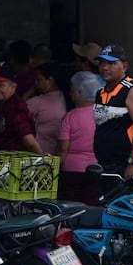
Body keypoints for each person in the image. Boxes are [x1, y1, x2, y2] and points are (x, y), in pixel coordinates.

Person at [93, 44, 133, 179]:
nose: (105, 67)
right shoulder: (100, 92)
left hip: (125, 165)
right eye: (102, 63)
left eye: (111, 63)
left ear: (124, 66)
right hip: (105, 163)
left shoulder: (132, 91)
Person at [56, 71, 101, 205]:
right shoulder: (103, 115)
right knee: (91, 207)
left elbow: (63, 148)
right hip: (96, 169)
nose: (71, 94)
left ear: (80, 93)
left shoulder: (70, 116)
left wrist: (56, 168)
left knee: (69, 208)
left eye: (73, 91)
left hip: (71, 171)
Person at [0, 64, 42, 154]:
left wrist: (43, 162)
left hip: (18, 162)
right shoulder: (4, 105)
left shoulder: (16, 107)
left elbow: (29, 140)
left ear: (13, 86)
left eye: (1, 85)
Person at [27, 62, 67, 155]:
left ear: (50, 80)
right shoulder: (65, 98)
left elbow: (16, 107)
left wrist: (31, 90)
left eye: (39, 80)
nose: (36, 83)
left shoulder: (37, 102)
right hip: (57, 155)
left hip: (39, 154)